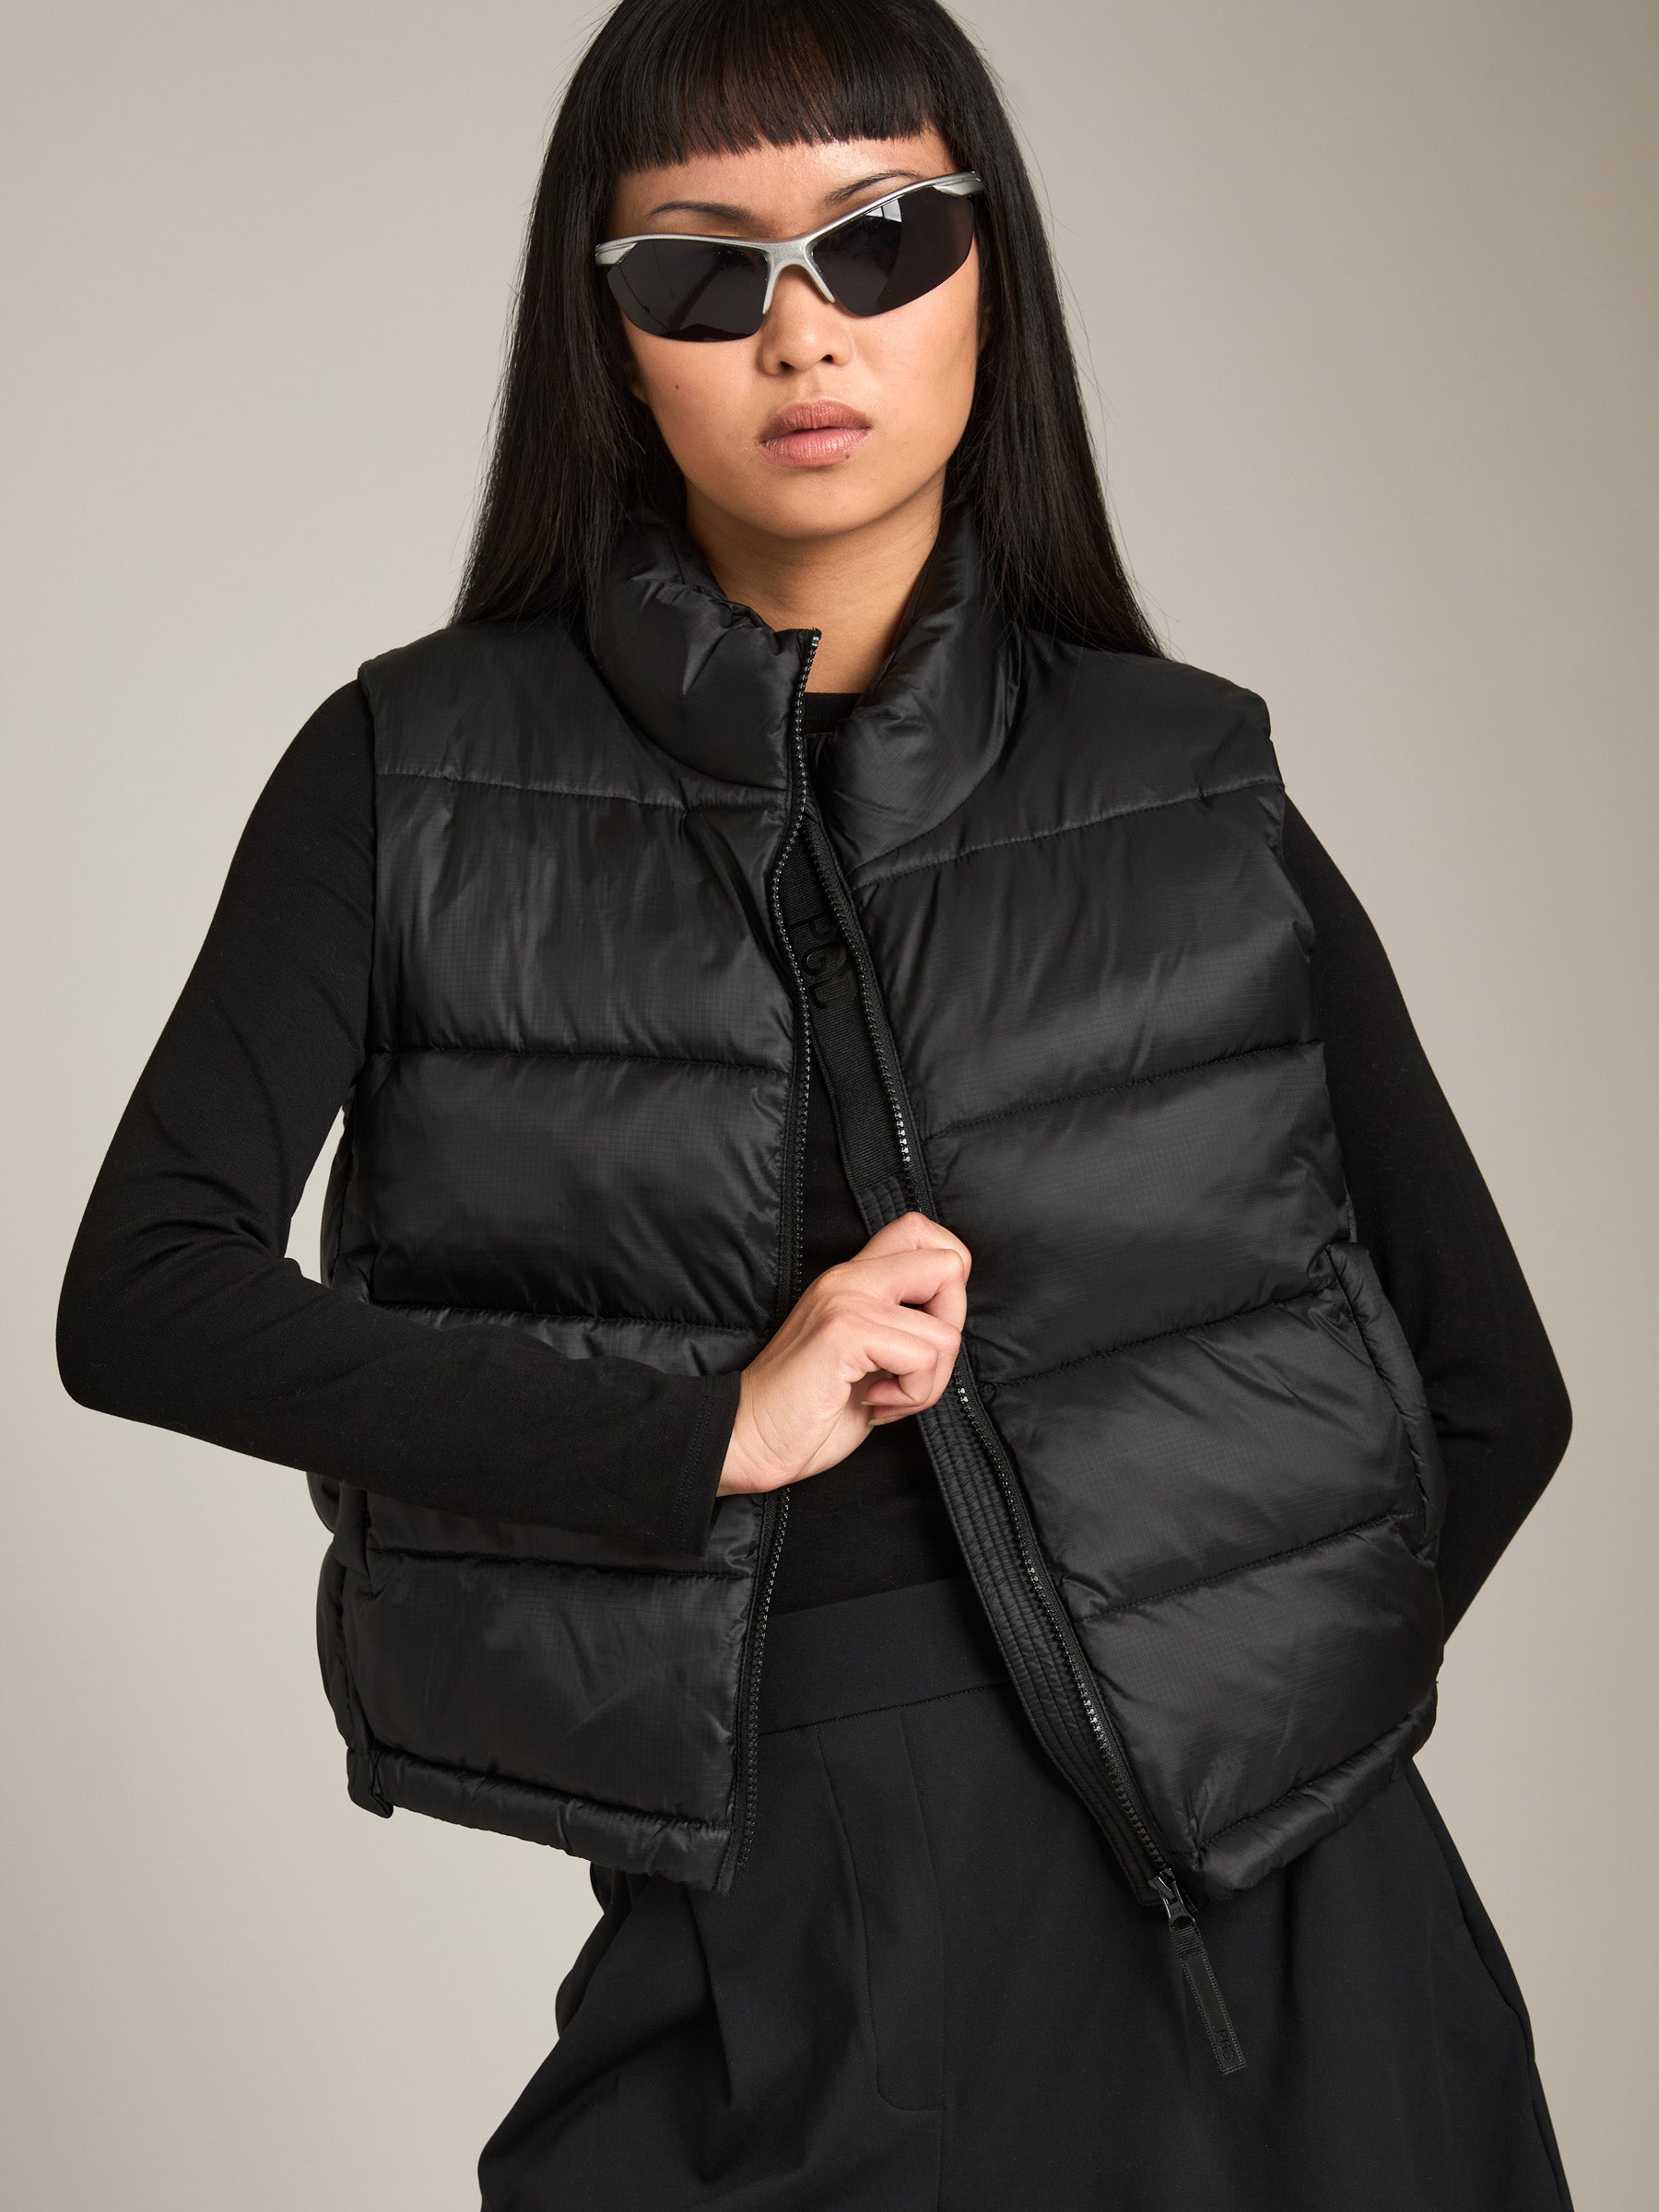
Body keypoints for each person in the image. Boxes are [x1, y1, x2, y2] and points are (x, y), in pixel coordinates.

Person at [56, 1, 1576, 2204]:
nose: (803, 332)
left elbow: (1495, 1389)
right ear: (607, 340)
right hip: (800, 1917)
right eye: (703, 268)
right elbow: (144, 1295)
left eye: (882, 238)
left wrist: (1228, 1723)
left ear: (989, 274)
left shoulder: (1181, 781)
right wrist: (705, 1430)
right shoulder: (416, 777)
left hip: (1294, 1943)